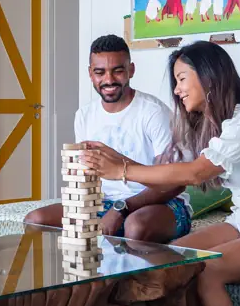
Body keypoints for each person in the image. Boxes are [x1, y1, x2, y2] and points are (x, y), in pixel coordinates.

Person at [80, 40, 240, 306]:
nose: (177, 90)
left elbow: (194, 174)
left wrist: (121, 170)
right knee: (172, 257)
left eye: (182, 79)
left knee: (207, 269)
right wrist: (117, 159)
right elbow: (172, 171)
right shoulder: (212, 125)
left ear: (208, 77)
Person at [24, 35, 191, 243]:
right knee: (36, 220)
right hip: (104, 202)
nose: (109, 80)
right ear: (90, 73)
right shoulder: (84, 116)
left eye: (118, 71)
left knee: (136, 227)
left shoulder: (154, 113)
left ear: (131, 70)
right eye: (100, 72)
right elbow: (87, 175)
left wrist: (121, 209)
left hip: (161, 203)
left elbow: (173, 184)